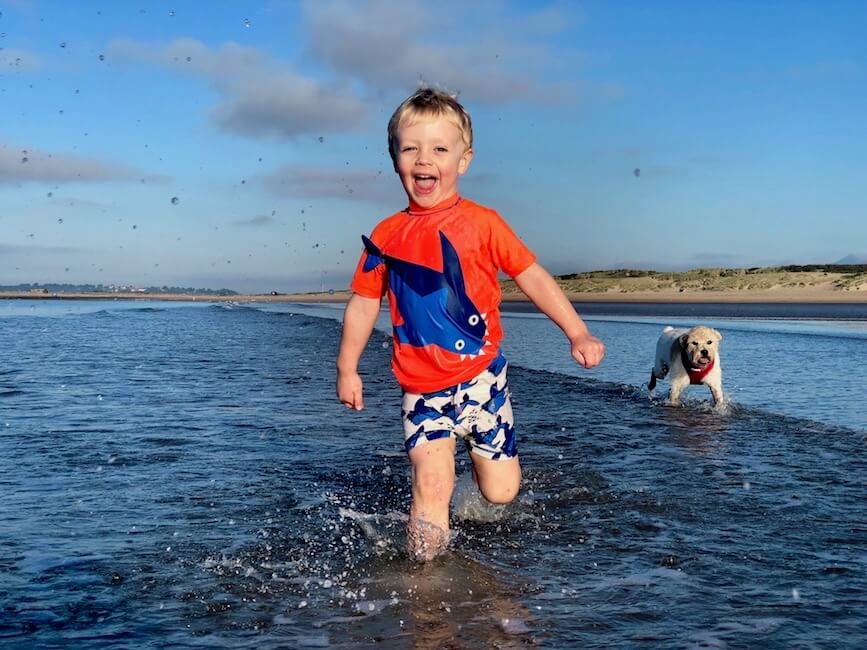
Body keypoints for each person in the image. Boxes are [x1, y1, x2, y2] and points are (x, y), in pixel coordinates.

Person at [336, 87, 605, 560]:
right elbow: (362, 303)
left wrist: (576, 331)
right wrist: (347, 367)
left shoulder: (483, 223)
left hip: (484, 382)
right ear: (394, 157)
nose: (425, 159)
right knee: (431, 482)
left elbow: (532, 277)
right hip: (421, 389)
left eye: (440, 148)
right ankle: (426, 583)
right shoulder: (386, 236)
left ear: (464, 160)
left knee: (501, 492)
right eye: (411, 148)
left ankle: (474, 477)